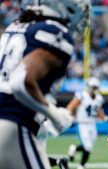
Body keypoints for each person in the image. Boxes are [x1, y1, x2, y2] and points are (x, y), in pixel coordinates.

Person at [0, 0, 89, 168]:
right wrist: (56, 115)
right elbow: (21, 81)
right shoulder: (55, 32)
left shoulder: (15, 26)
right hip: (13, 123)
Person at [67, 77, 107, 169]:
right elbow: (70, 107)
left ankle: (75, 148)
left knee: (88, 146)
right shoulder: (82, 95)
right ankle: (81, 166)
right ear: (89, 87)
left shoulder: (99, 98)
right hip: (82, 124)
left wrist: (106, 117)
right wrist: (71, 118)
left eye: (96, 87)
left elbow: (99, 111)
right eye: (94, 87)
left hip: (92, 124)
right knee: (88, 146)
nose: (95, 89)